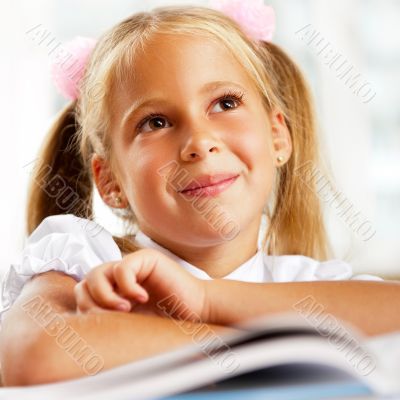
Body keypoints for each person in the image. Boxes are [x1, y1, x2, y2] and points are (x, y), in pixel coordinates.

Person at [1, 1, 399, 387]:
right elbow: (28, 356)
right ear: (111, 181)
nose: (199, 141)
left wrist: (205, 300)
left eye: (225, 103)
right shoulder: (84, 260)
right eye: (155, 122)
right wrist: (274, 351)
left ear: (277, 135)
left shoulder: (306, 283)